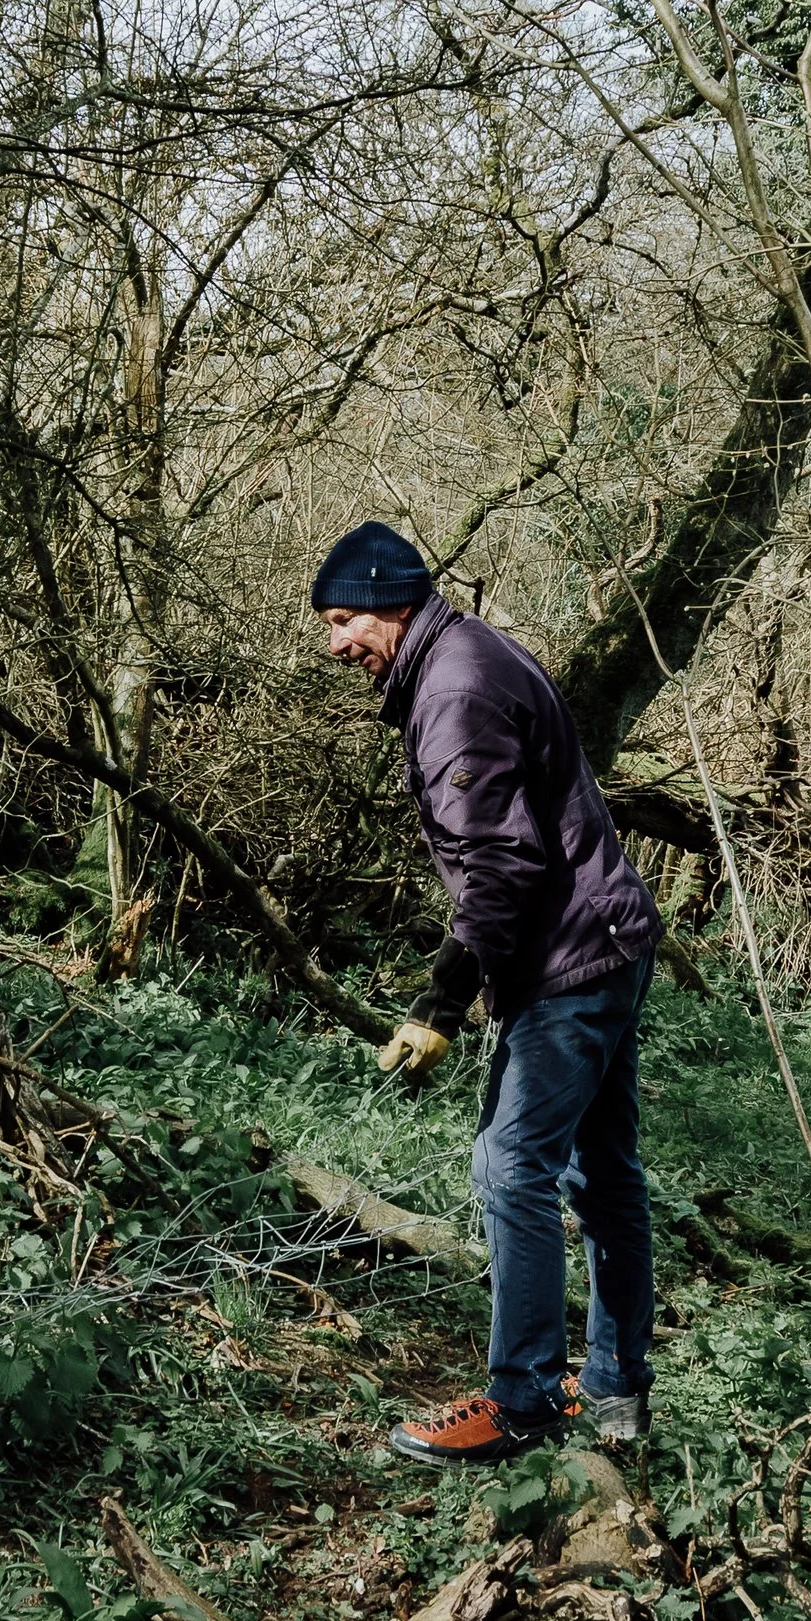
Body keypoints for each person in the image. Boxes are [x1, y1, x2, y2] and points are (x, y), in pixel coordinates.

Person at [313, 519, 659, 1461]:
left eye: (344, 620)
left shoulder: (454, 688)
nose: (336, 644)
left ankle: (523, 1400)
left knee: (511, 1166)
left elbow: (500, 863)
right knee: (604, 1175)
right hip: (609, 939)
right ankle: (616, 1389)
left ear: (392, 603)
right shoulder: (462, 654)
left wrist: (439, 1005)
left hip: (570, 958)